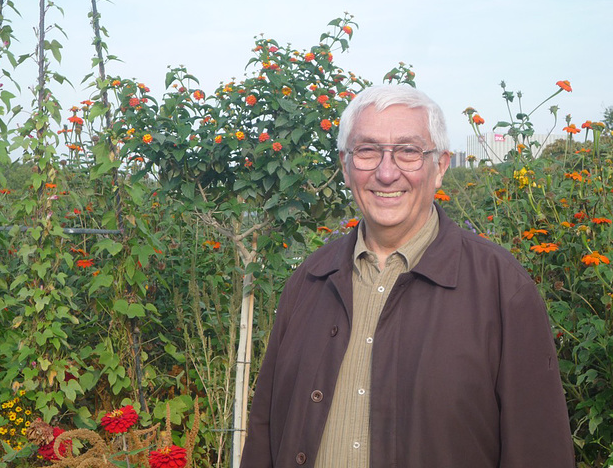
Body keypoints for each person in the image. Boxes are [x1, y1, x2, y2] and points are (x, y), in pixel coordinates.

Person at [240, 85, 574, 467]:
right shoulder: (309, 281)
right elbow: (265, 434)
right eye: (367, 151)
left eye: (409, 151)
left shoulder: (501, 290)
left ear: (441, 167)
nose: (386, 172)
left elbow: (538, 449)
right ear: (345, 166)